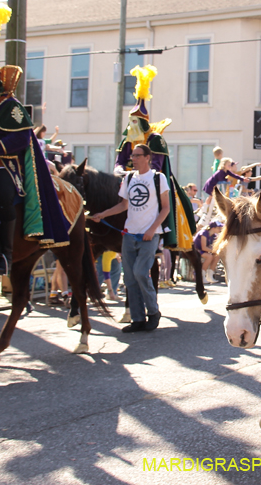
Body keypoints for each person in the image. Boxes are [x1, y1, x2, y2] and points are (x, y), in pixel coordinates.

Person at [0, 3, 70, 275]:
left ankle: (5, 255)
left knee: (4, 195)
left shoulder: (12, 107)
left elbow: (21, 140)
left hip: (4, 166)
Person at [114, 65, 196, 252]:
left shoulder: (155, 140)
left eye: (135, 122)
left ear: (142, 122)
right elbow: (119, 161)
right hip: (127, 180)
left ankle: (163, 233)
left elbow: (157, 167)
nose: (131, 126)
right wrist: (119, 171)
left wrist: (135, 174)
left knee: (163, 198)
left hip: (153, 182)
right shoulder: (127, 140)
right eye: (130, 122)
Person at [91, 144, 169, 333]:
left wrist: (152, 230)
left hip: (149, 235)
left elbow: (166, 208)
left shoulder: (158, 178)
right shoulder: (129, 178)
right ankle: (137, 319)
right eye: (132, 156)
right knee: (130, 278)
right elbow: (124, 205)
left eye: (137, 156)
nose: (133, 159)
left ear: (148, 157)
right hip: (129, 234)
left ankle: (153, 312)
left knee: (141, 272)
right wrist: (103, 214)